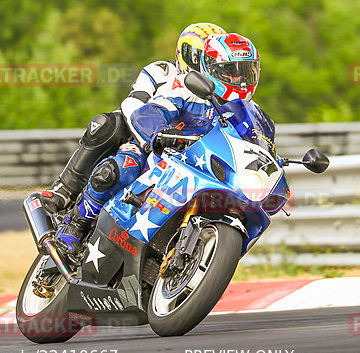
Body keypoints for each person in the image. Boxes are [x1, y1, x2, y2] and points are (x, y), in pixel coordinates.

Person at [54, 32, 261, 256]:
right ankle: (77, 224)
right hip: (159, 155)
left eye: (245, 72)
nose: (239, 80)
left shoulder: (250, 113)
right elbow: (147, 113)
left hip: (203, 171)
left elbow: (259, 146)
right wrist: (157, 134)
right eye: (231, 72)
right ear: (211, 68)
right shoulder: (184, 87)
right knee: (121, 168)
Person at [39, 23, 226, 214]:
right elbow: (133, 105)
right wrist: (153, 139)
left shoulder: (222, 91)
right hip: (144, 137)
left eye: (211, 58)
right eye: (201, 56)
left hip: (188, 151)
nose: (205, 63)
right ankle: (66, 187)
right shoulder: (161, 72)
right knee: (108, 124)